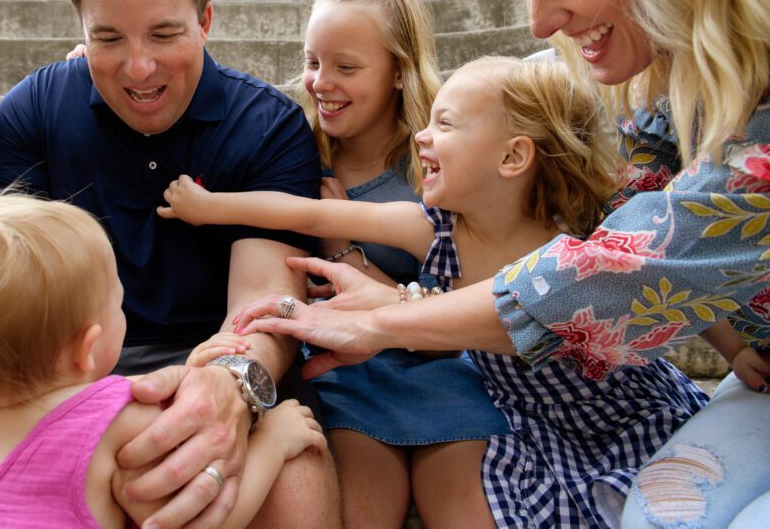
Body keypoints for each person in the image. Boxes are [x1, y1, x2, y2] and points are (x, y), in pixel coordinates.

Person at [225, 0, 770, 526]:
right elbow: (639, 217)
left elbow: (617, 271)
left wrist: (377, 321)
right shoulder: (674, 89)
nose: (538, 21)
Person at [0, 0, 340, 529]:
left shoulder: (267, 125)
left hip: (214, 354)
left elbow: (264, 301)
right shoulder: (35, 109)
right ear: (82, 30)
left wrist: (230, 386)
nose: (137, 68)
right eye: (109, 39)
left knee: (297, 482)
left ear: (205, 21)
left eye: (164, 34)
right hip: (53, 370)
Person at [165, 55, 711, 527]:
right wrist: (211, 208)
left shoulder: (577, 229)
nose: (422, 136)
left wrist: (737, 352)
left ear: (512, 157)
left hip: (631, 411)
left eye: (445, 124)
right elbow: (308, 209)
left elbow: (678, 280)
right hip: (533, 421)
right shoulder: (431, 228)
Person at [0, 193, 326, 528]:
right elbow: (192, 519)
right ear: (86, 348)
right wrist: (273, 444)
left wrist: (191, 372)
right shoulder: (120, 419)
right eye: (117, 304)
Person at [272, 0, 514, 528]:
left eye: (346, 67)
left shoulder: (441, 161)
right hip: (346, 382)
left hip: (448, 372)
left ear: (399, 71)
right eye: (313, 62)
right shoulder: (292, 151)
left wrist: (344, 252)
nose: (320, 82)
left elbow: (467, 304)